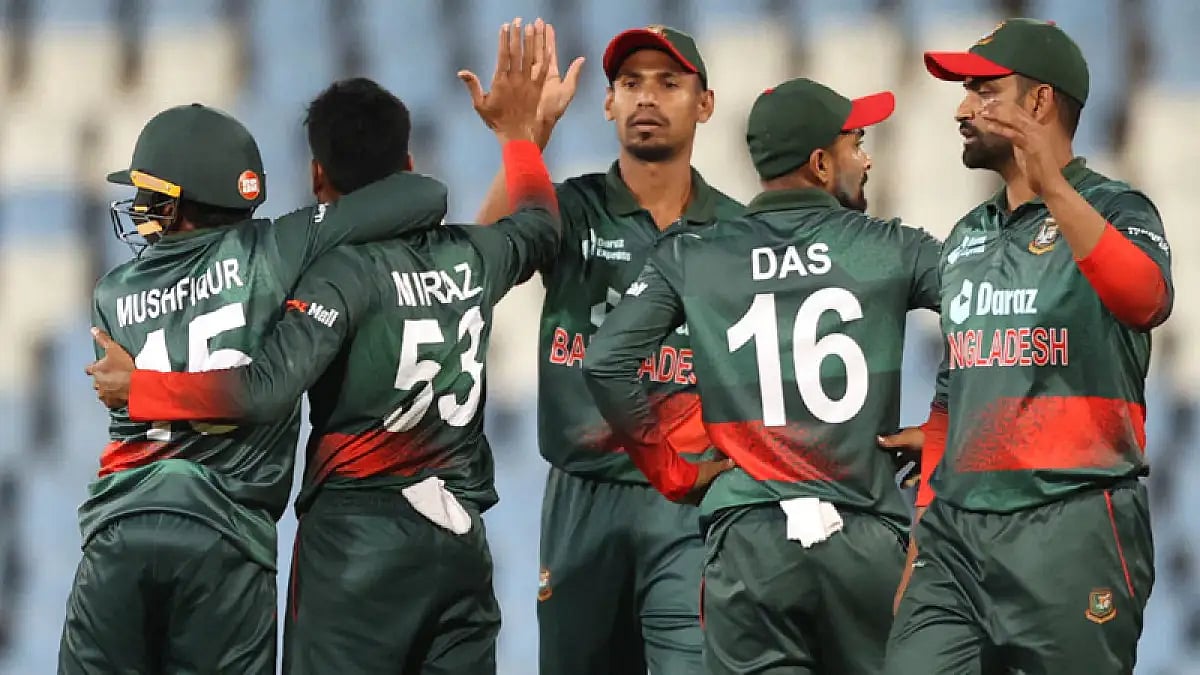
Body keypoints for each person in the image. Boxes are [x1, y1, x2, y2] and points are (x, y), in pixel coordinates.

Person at [86, 19, 559, 675]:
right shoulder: (470, 259)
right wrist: (520, 139)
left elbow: (261, 389)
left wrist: (140, 387)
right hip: (460, 541)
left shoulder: (332, 275)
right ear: (411, 165)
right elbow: (538, 224)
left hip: (357, 542)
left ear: (316, 176)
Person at [60, 101, 449, 673]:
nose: (139, 209)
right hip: (226, 538)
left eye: (149, 195)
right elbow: (426, 197)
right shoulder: (277, 249)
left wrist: (144, 387)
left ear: (179, 200)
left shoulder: (113, 292)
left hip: (119, 531)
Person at [583, 77, 942, 674]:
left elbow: (606, 362)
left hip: (751, 541)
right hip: (865, 534)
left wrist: (673, 472)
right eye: (856, 142)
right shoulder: (891, 248)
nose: (868, 157)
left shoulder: (690, 254)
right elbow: (985, 316)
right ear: (822, 163)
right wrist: (945, 430)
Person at [883, 18, 1173, 674]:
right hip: (956, 537)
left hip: (1073, 527)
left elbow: (1147, 299)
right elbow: (955, 391)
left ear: (1038, 103)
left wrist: (1057, 188)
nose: (962, 107)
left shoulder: (1120, 209)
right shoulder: (965, 237)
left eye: (984, 91)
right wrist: (923, 524)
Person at [469, 23, 743, 673]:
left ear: (705, 103)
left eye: (669, 83)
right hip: (582, 498)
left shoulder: (739, 231)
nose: (646, 97)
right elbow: (468, 274)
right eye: (630, 83)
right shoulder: (571, 207)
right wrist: (524, 143)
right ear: (609, 104)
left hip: (692, 502)